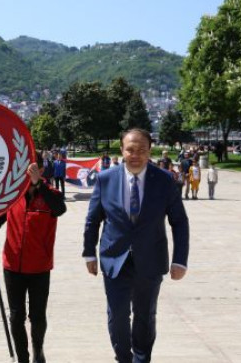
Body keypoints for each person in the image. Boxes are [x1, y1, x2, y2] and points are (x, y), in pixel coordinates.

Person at [83, 128, 189, 363]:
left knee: (145, 316)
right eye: (130, 149)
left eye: (142, 150)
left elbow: (179, 222)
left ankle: (141, 359)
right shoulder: (105, 179)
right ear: (121, 150)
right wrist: (89, 253)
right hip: (114, 258)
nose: (136, 154)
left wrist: (180, 260)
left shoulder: (164, 181)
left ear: (149, 151)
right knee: (117, 316)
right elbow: (93, 219)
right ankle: (123, 358)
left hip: (150, 260)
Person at [0, 154, 66, 363]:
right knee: (16, 316)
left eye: (31, 169)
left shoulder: (52, 194)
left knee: (37, 317)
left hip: (39, 267)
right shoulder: (12, 196)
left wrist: (39, 185)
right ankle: (22, 357)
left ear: (40, 169)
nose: (26, 175)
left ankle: (38, 351)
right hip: (13, 266)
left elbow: (60, 209)